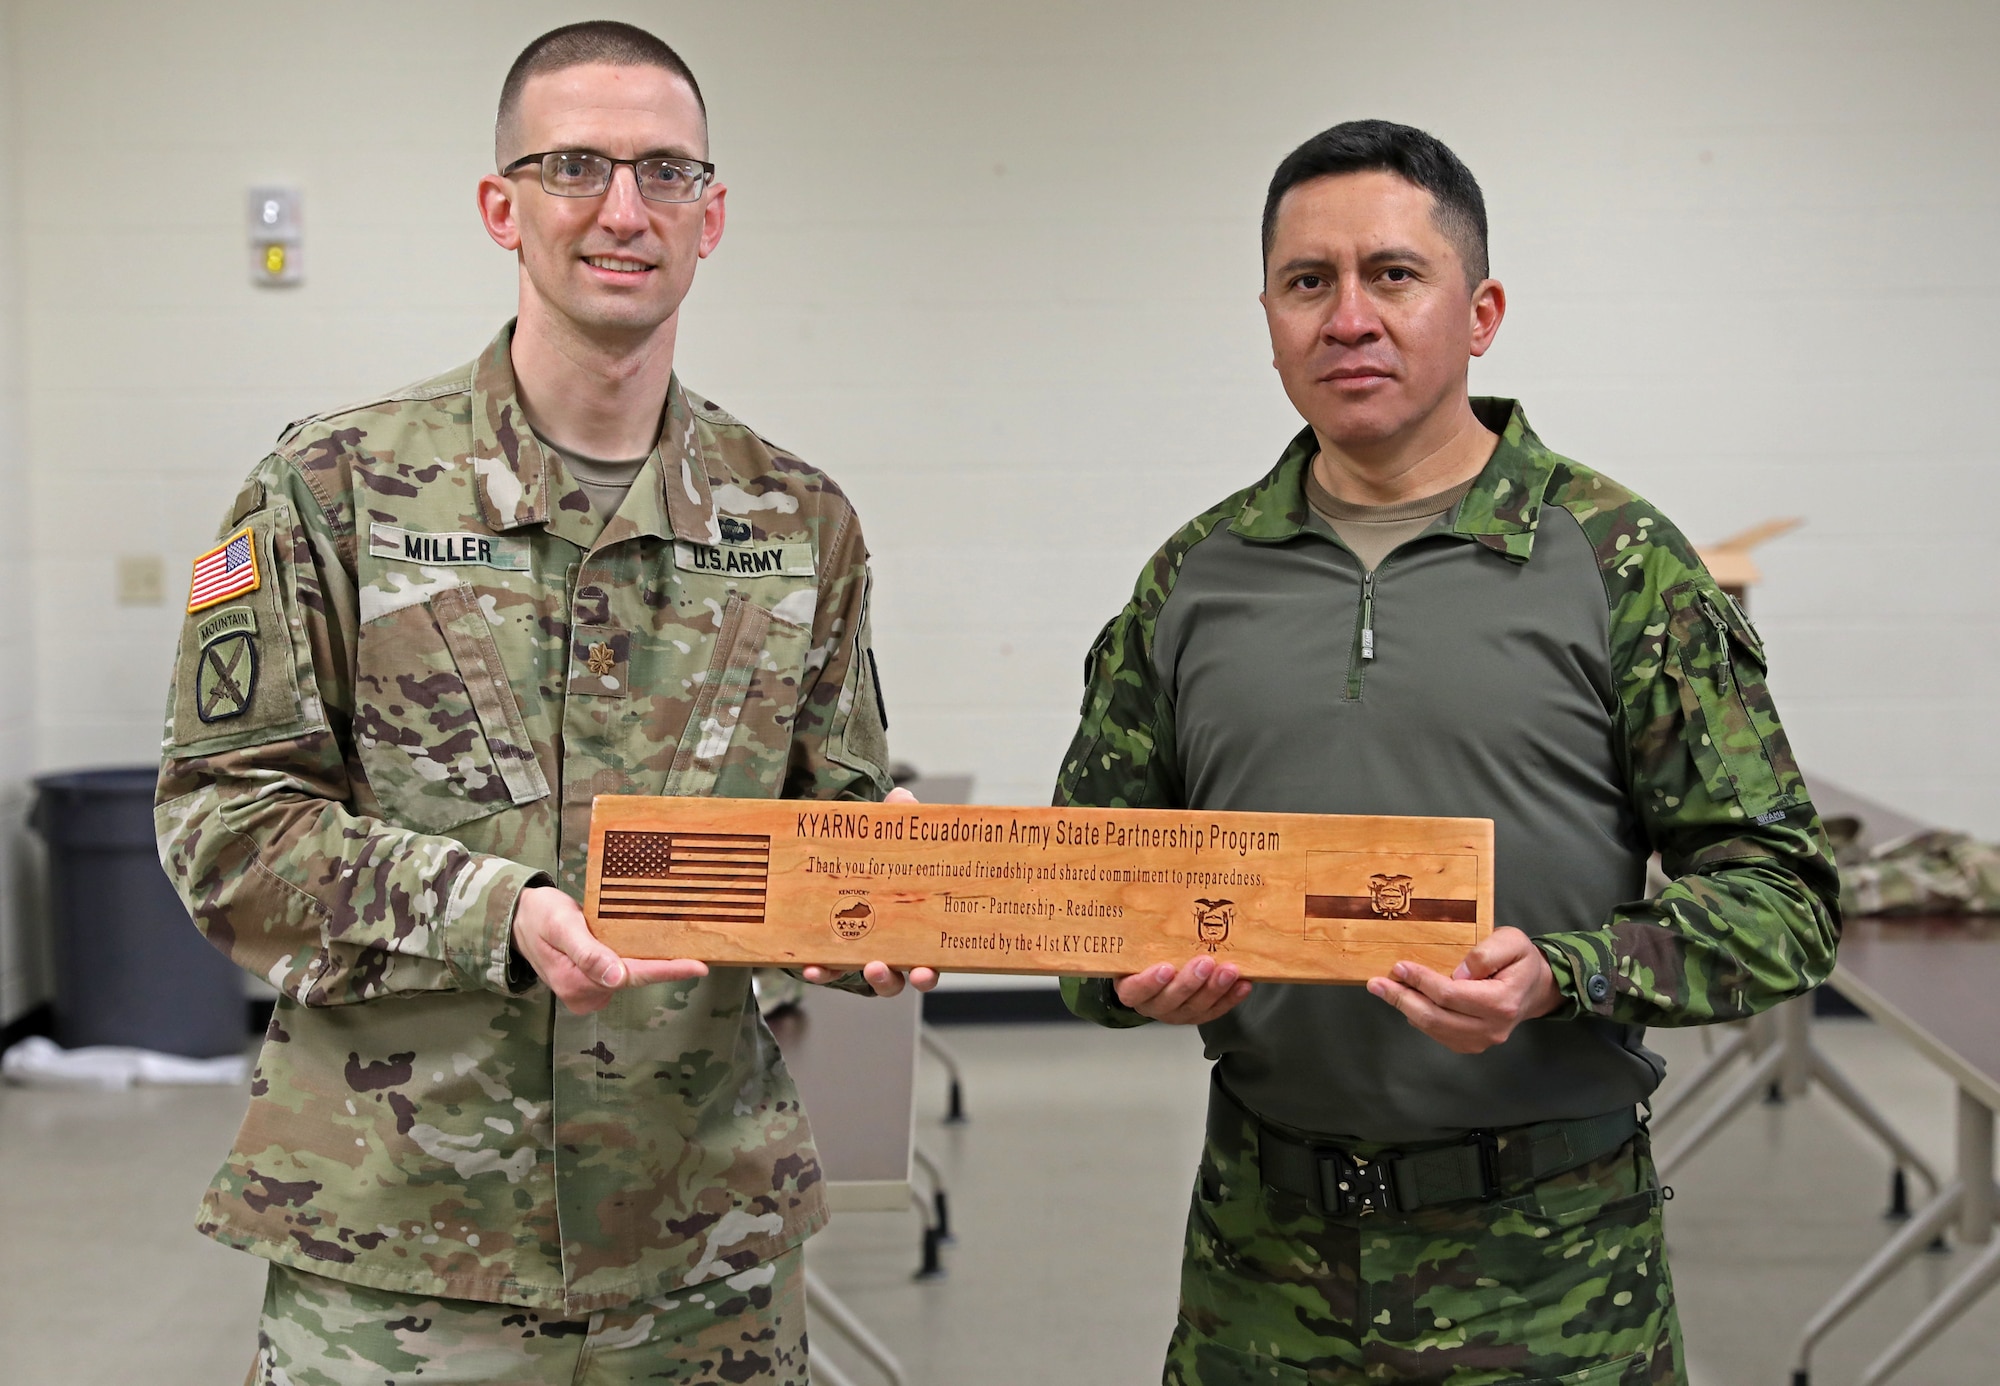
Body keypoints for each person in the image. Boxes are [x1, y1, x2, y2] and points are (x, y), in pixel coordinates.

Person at [155, 21, 931, 1385]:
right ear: (500, 207)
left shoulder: (797, 521)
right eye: (575, 166)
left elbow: (829, 823)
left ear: (711, 216)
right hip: (403, 1261)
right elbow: (224, 830)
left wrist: (879, 897)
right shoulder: (330, 492)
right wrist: (494, 910)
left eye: (665, 171)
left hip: (702, 1264)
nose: (623, 210)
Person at [1057, 119, 1839, 1384]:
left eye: (1392, 275)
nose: (1346, 319)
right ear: (1266, 319)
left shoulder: (1618, 562)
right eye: (1306, 282)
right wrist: (1124, 975)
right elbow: (1082, 896)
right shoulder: (1192, 579)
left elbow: (1783, 899)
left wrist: (1562, 974)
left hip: (1554, 1273)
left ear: (1479, 314)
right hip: (1261, 1267)